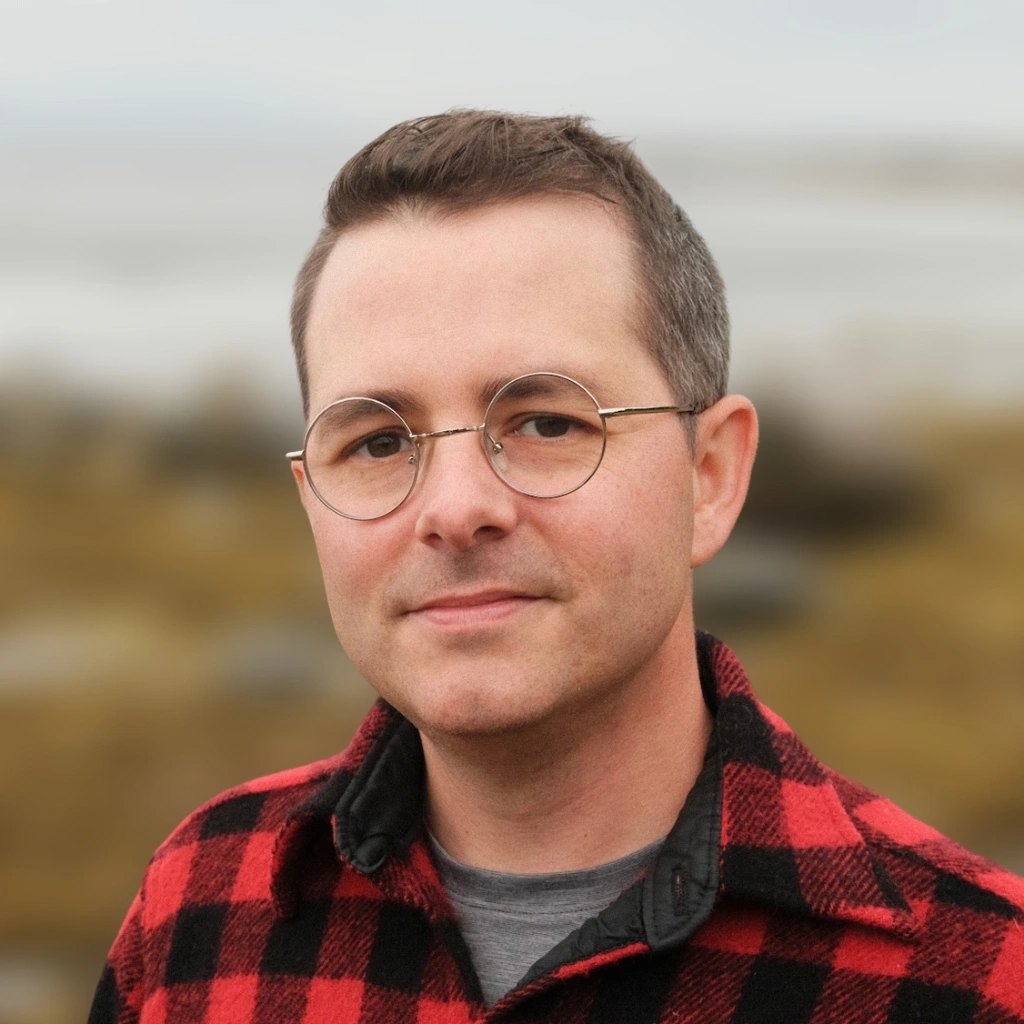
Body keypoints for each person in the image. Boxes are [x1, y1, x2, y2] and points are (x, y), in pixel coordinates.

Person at [90, 111, 1024, 1024]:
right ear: (312, 502)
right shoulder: (198, 913)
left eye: (547, 422)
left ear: (710, 476)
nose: (455, 509)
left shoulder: (978, 980)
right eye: (378, 442)